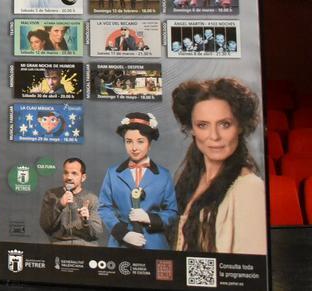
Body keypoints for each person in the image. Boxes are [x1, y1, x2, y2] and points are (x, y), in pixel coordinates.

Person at [171, 78, 266, 254]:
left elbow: (251, 271)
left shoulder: (249, 188)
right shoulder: (191, 178)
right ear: (191, 129)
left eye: (224, 124)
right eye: (203, 125)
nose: (214, 136)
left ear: (240, 126)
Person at [97, 112, 178, 249]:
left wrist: (149, 218)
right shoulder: (112, 173)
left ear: (149, 144)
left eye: (140, 141)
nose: (134, 147)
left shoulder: (164, 175)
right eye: (129, 141)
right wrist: (123, 234)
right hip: (121, 244)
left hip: (154, 244)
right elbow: (104, 208)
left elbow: (172, 212)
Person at [39, 157, 105, 245]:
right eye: (66, 173)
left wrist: (86, 221)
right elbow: (45, 226)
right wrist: (60, 205)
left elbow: (97, 233)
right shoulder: (51, 195)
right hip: (59, 246)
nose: (69, 177)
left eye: (74, 173)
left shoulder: (92, 199)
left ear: (83, 177)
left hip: (85, 247)